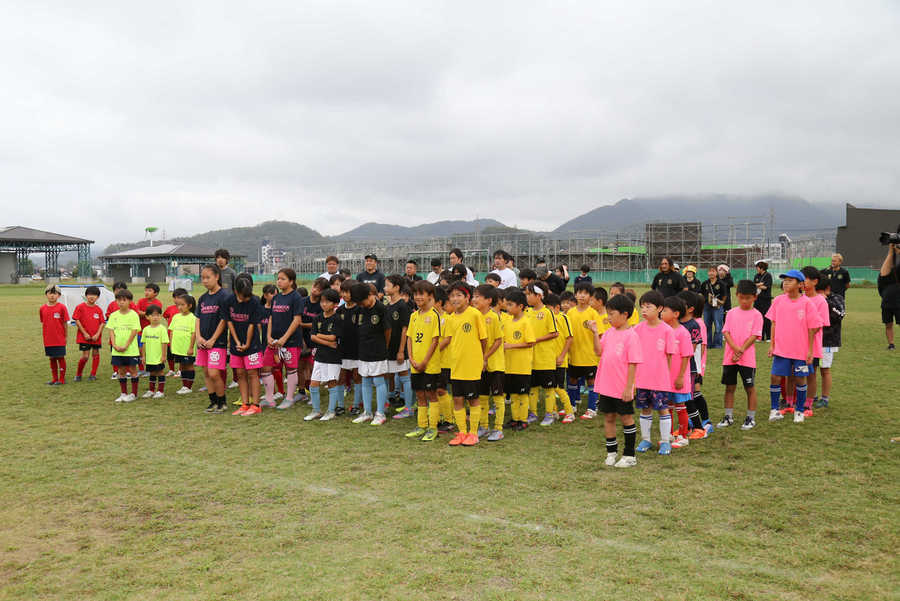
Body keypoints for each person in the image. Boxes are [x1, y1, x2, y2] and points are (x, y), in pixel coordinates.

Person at [588, 294, 642, 468]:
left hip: (621, 387)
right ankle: (611, 452)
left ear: (625, 314)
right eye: (608, 314)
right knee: (609, 417)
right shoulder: (609, 332)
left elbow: (633, 363)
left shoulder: (631, 336)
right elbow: (598, 351)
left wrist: (629, 387)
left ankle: (629, 455)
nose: (608, 317)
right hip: (606, 385)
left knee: (626, 418)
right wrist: (595, 333)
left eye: (612, 314)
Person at [765, 269, 823, 423]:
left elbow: (814, 327)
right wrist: (772, 345)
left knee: (800, 379)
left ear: (800, 285)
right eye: (784, 280)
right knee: (775, 377)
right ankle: (774, 410)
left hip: (801, 351)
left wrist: (810, 350)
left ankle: (799, 410)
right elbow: (773, 323)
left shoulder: (807, 303)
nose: (785, 283)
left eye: (790, 281)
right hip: (781, 350)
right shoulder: (778, 300)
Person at [443, 283, 487, 446]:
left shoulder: (475, 314)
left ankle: (473, 433)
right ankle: (462, 432)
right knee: (457, 399)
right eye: (452, 296)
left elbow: (484, 340)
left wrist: (483, 359)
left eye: (458, 295)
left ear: (467, 297)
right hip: (456, 365)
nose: (455, 299)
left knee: (473, 399)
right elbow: (449, 340)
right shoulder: (451, 318)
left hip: (471, 365)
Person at [632, 290, 673, 456]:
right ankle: (646, 439)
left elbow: (669, 357)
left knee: (663, 409)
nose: (644, 310)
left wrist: (665, 377)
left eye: (648, 307)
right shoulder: (637, 329)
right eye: (642, 307)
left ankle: (665, 441)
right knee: (645, 409)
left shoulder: (667, 330)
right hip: (642, 379)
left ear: (660, 308)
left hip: (660, 380)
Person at [718, 280, 763, 431]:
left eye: (748, 298)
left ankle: (750, 418)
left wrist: (741, 350)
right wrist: (735, 348)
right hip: (730, 358)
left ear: (754, 297)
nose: (744, 301)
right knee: (729, 387)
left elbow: (754, 335)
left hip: (747, 359)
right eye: (741, 297)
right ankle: (728, 416)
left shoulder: (757, 315)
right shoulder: (731, 313)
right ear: (737, 295)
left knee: (749, 388)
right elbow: (726, 332)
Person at [404, 280, 443, 441]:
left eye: (421, 294)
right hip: (415, 364)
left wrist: (425, 361)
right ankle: (421, 426)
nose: (418, 297)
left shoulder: (434, 315)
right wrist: (411, 359)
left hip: (430, 365)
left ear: (430, 296)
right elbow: (409, 338)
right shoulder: (413, 316)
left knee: (431, 394)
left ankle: (433, 428)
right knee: (419, 394)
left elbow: (435, 341)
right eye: (415, 294)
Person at [352, 282, 391, 425]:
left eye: (362, 302)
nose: (361, 305)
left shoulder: (381, 308)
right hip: (363, 350)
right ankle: (367, 412)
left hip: (378, 350)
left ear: (370, 295)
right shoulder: (360, 309)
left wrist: (384, 347)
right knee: (365, 380)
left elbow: (388, 331)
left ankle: (380, 413)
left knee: (379, 381)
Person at [195, 264, 233, 413]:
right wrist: (198, 337)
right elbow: (198, 318)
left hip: (217, 343)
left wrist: (212, 339)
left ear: (217, 277)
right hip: (202, 343)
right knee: (206, 373)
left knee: (214, 373)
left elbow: (224, 320)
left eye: (208, 277)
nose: (204, 281)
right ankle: (213, 402)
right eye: (202, 278)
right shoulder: (203, 298)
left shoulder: (224, 296)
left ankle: (222, 402)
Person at [472, 284, 508, 441]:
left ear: (488, 300)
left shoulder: (493, 317)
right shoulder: (474, 316)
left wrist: (485, 358)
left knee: (498, 396)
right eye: (473, 296)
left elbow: (498, 341)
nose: (474, 300)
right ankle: (484, 426)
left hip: (495, 364)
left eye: (477, 297)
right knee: (482, 396)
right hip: (479, 364)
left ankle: (498, 429)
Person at [226, 274, 264, 416]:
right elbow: (229, 322)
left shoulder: (254, 301)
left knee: (253, 373)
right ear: (236, 291)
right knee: (240, 373)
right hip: (236, 344)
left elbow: (252, 325)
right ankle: (245, 404)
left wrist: (247, 344)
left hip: (252, 345)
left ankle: (256, 405)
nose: (245, 299)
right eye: (243, 296)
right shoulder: (229, 301)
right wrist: (236, 342)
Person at [524, 283, 561, 426]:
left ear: (539, 296)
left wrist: (536, 340)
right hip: (530, 358)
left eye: (529, 294)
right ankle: (533, 413)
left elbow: (555, 333)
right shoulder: (527, 312)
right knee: (532, 387)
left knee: (548, 388)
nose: (527, 297)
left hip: (545, 357)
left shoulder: (547, 312)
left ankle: (549, 414)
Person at [266, 268, 304, 410]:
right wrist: (268, 336)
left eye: (283, 279)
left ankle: (289, 398)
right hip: (274, 341)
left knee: (291, 369)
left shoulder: (296, 297)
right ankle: (269, 397)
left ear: (291, 281)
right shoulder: (276, 298)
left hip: (291, 341)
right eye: (278, 278)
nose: (279, 281)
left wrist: (284, 338)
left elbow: (297, 320)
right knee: (267, 367)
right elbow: (271, 318)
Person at [565, 282, 601, 418]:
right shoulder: (570, 313)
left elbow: (599, 334)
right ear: (575, 295)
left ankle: (592, 409)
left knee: (591, 382)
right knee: (572, 380)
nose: (582, 295)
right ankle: (572, 405)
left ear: (590, 297)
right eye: (579, 292)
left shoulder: (593, 314)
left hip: (589, 356)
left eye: (585, 293)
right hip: (574, 355)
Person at [307, 288, 343, 421]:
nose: (323, 304)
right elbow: (312, 337)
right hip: (320, 356)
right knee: (313, 383)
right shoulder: (317, 318)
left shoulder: (337, 319)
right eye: (322, 301)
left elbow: (333, 337)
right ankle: (316, 411)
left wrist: (319, 336)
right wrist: (327, 342)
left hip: (333, 357)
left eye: (327, 302)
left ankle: (331, 411)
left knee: (332, 382)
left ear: (335, 304)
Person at [662, 296, 692, 449]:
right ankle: (669, 434)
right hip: (666, 378)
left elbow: (686, 356)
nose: (661, 313)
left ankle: (683, 435)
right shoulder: (663, 331)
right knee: (668, 406)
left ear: (676, 314)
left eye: (665, 311)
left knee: (680, 406)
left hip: (678, 378)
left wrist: (680, 377)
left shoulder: (683, 333)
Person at [503, 289, 536, 431]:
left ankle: (523, 420)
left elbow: (531, 342)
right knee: (514, 394)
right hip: (509, 365)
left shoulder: (525, 322)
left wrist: (511, 346)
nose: (507, 308)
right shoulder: (508, 321)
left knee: (522, 394)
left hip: (522, 366)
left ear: (520, 306)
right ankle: (515, 418)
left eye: (510, 305)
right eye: (507, 304)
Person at [799, 266, 830, 417]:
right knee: (797, 373)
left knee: (811, 374)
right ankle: (795, 400)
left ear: (815, 281)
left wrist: (806, 333)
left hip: (812, 345)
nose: (802, 283)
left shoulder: (821, 301)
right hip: (796, 344)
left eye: (804, 280)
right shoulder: (798, 299)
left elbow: (820, 324)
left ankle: (808, 403)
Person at [384, 275, 413, 419]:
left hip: (399, 348)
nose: (385, 288)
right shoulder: (388, 305)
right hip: (388, 348)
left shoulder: (402, 306)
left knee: (403, 376)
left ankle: (409, 407)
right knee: (387, 375)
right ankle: (386, 402)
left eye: (387, 285)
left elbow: (405, 329)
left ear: (396, 288)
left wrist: (401, 350)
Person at [545, 293, 576, 425]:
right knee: (550, 387)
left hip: (559, 360)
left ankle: (569, 412)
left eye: (549, 308)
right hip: (548, 360)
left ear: (557, 307)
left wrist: (562, 356)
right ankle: (554, 411)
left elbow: (570, 338)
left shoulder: (564, 318)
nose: (547, 311)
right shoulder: (546, 319)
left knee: (558, 387)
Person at [815, 277, 844, 409]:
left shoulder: (836, 299)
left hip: (828, 341)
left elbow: (840, 314)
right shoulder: (812, 298)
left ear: (827, 288)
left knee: (825, 369)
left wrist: (826, 301)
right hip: (813, 340)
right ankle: (812, 395)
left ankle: (825, 398)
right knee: (810, 370)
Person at [107, 288, 141, 401]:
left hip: (130, 349)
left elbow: (134, 331)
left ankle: (134, 394)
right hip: (117, 349)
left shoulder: (134, 315)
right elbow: (111, 331)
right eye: (119, 300)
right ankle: (123, 393)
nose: (121, 302)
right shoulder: (113, 315)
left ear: (130, 301)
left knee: (132, 370)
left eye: (124, 300)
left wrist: (126, 345)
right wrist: (114, 345)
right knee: (121, 371)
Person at [337, 279, 362, 415]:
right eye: (343, 292)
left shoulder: (361, 309)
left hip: (357, 349)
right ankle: (340, 405)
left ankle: (356, 405)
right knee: (340, 377)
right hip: (343, 349)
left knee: (357, 377)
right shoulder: (340, 310)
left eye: (348, 292)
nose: (345, 295)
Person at [72, 285, 104, 381]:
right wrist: (84, 333)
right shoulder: (80, 307)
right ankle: (78, 374)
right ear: (86, 296)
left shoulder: (98, 309)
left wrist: (98, 334)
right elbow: (77, 320)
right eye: (90, 294)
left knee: (95, 354)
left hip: (96, 337)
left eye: (95, 295)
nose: (92, 297)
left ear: (98, 297)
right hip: (84, 337)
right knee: (85, 356)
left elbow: (102, 323)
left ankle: (93, 374)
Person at [40, 284, 69, 385]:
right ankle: (54, 379)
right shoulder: (42, 308)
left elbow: (65, 323)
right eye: (50, 293)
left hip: (59, 338)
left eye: (55, 293)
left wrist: (65, 336)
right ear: (46, 294)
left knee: (60, 357)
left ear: (59, 295)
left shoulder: (62, 307)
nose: (52, 295)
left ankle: (62, 379)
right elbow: (43, 322)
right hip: (48, 339)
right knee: (52, 358)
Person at [169, 294, 197, 395]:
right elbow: (172, 331)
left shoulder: (193, 318)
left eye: (182, 305)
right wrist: (172, 344)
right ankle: (184, 386)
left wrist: (191, 347)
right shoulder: (176, 317)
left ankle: (188, 387)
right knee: (183, 367)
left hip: (187, 348)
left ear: (190, 305)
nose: (180, 307)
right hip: (178, 348)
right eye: (178, 305)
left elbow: (194, 333)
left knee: (189, 366)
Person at [140, 305, 169, 398]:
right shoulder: (146, 329)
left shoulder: (162, 329)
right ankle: (151, 390)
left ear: (160, 316)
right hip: (149, 357)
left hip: (159, 356)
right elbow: (143, 343)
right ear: (147, 317)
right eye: (153, 315)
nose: (155, 317)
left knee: (160, 372)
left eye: (157, 315)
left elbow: (164, 343)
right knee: (152, 373)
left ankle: (160, 391)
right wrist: (143, 356)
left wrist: (164, 355)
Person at [136, 283, 163, 374]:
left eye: (149, 290)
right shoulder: (141, 301)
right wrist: (147, 314)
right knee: (140, 350)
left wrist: (144, 314)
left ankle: (150, 368)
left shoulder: (158, 303)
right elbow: (137, 312)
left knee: (150, 351)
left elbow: (156, 315)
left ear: (156, 293)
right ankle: (141, 369)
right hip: (141, 331)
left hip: (153, 332)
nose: (146, 292)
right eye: (146, 290)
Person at [878, 243, 900, 350]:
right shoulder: (884, 274)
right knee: (888, 324)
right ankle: (891, 344)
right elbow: (882, 275)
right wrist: (891, 252)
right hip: (887, 303)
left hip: (899, 302)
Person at [700, 266, 727, 348]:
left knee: (718, 326)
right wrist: (706, 299)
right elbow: (700, 294)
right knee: (707, 326)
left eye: (713, 271)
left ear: (716, 273)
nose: (711, 273)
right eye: (709, 271)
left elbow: (724, 297)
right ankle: (708, 344)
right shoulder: (705, 283)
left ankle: (717, 344)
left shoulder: (721, 284)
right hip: (707, 307)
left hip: (717, 307)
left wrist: (718, 301)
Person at [163, 288, 187, 376]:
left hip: (181, 335)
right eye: (175, 297)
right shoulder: (170, 308)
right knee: (170, 354)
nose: (177, 299)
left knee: (180, 354)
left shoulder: (185, 309)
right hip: (170, 335)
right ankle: (171, 370)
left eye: (179, 297)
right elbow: (165, 315)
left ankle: (180, 369)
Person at [753, 260, 774, 341]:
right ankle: (760, 336)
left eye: (757, 268)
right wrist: (760, 284)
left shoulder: (768, 276)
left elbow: (766, 287)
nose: (757, 269)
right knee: (758, 317)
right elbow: (753, 285)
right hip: (757, 299)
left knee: (766, 317)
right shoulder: (756, 276)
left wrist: (759, 285)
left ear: (762, 268)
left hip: (766, 299)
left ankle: (768, 337)